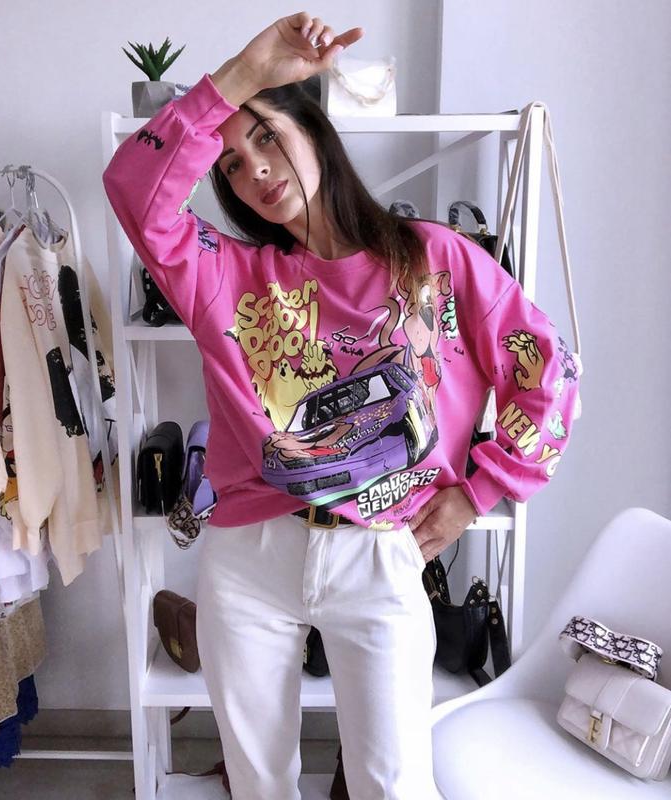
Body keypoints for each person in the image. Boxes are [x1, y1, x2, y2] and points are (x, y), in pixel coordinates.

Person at [103, 12, 580, 799]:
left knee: (393, 784)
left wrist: (479, 491)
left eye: (266, 135)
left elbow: (548, 370)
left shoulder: (432, 260)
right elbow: (133, 189)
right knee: (257, 783)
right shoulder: (228, 276)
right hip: (248, 557)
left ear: (314, 133)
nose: (254, 169)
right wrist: (242, 74)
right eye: (230, 163)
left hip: (380, 555)